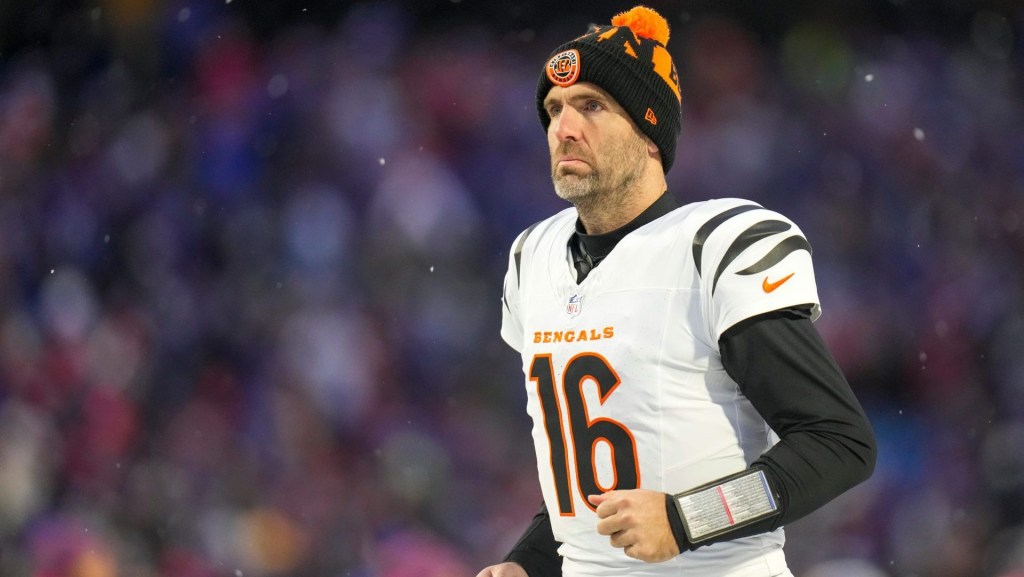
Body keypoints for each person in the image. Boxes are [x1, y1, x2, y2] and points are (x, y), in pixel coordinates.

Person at [476, 5, 877, 577]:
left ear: (648, 131)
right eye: (554, 109)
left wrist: (690, 520)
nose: (563, 128)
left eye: (591, 105)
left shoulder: (714, 245)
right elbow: (588, 472)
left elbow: (839, 443)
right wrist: (529, 563)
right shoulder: (531, 259)